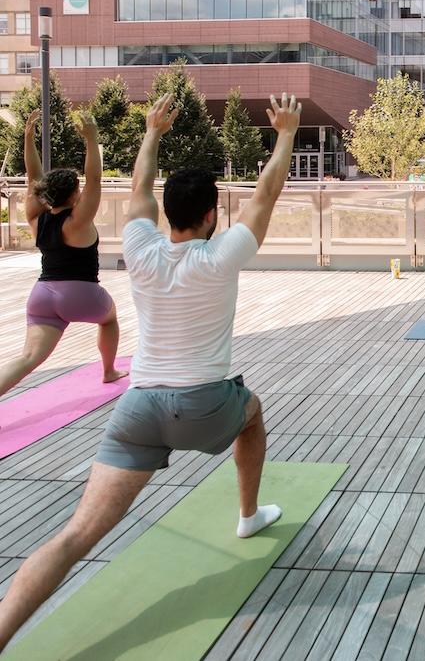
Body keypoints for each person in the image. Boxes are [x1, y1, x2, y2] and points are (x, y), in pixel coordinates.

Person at [0, 91, 302, 652]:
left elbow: (139, 187)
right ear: (212, 214)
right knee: (253, 414)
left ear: (168, 214)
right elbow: (267, 192)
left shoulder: (139, 245)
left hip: (138, 410)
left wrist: (152, 131)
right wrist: (284, 133)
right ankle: (247, 513)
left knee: (74, 536)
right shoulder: (223, 253)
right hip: (206, 403)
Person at [0, 109, 128, 400]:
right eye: (79, 189)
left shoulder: (36, 217)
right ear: (73, 195)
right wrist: (91, 140)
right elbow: (94, 178)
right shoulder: (78, 220)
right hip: (80, 293)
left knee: (27, 358)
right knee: (109, 319)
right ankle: (108, 371)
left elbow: (34, 178)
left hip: (42, 295)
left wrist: (28, 138)